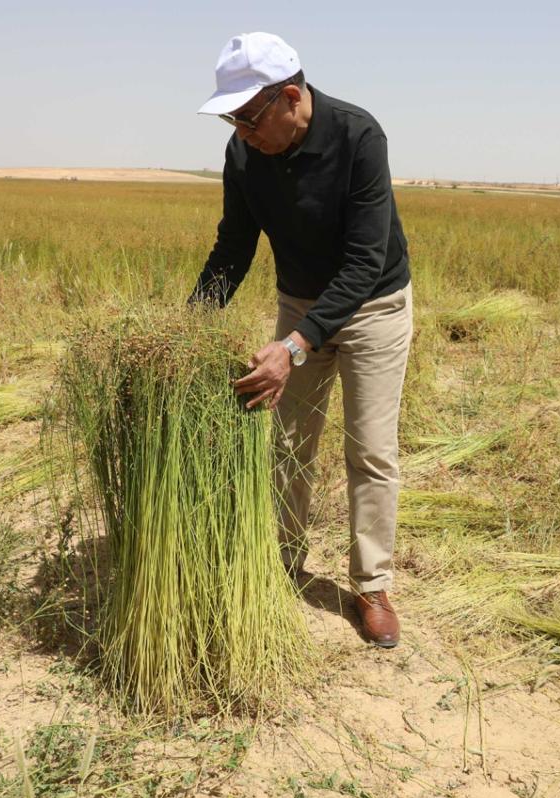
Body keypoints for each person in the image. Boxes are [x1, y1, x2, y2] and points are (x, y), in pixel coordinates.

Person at [189, 32, 412, 648]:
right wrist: (188, 325)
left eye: (249, 117)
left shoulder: (359, 137)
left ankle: (372, 586)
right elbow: (233, 247)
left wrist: (293, 346)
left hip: (374, 307)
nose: (240, 132)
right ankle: (280, 561)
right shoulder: (245, 155)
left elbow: (366, 260)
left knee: (370, 448)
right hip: (300, 302)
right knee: (287, 444)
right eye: (231, 119)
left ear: (291, 97)